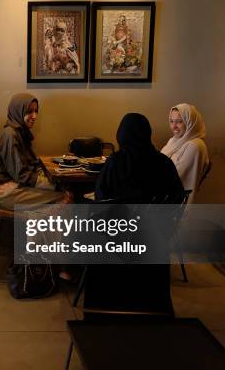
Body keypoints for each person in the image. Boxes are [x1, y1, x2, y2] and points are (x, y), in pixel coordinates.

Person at [91, 113, 184, 315]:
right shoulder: (164, 164)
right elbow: (177, 198)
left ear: (121, 135)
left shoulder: (116, 163)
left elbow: (101, 199)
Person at [0, 93, 70, 210]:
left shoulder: (21, 131)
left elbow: (29, 165)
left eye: (36, 111)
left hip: (12, 183)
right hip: (0, 190)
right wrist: (52, 185)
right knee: (64, 197)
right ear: (18, 111)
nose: (34, 116)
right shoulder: (10, 135)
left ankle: (40, 227)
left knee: (64, 192)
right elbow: (20, 174)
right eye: (29, 111)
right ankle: (39, 228)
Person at [161, 103, 210, 203]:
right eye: (171, 121)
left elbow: (174, 176)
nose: (174, 126)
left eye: (179, 122)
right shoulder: (174, 141)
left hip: (174, 201)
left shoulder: (194, 146)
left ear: (190, 122)